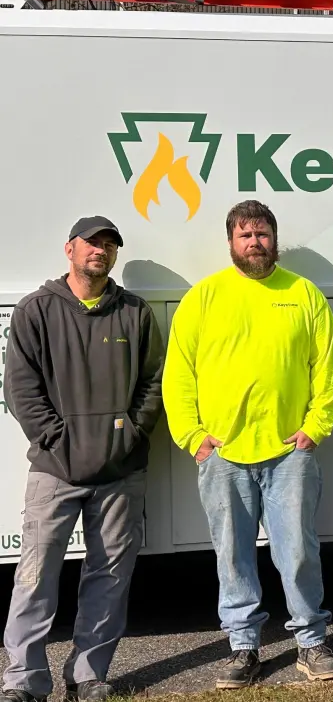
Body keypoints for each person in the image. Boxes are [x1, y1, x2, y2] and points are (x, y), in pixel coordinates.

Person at [162, 200, 333, 690]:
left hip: (289, 452)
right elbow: (178, 375)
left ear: (274, 239)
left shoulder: (303, 293)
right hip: (223, 454)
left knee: (298, 551)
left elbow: (327, 368)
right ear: (231, 242)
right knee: (233, 554)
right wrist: (193, 437)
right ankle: (243, 647)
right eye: (245, 235)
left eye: (262, 234)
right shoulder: (204, 297)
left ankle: (311, 641)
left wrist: (315, 427)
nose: (255, 243)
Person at [1, 216, 164, 702]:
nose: (101, 250)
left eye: (110, 244)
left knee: (109, 577)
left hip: (121, 471)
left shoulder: (134, 312)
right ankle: (24, 682)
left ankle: (89, 676)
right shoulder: (36, 310)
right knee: (35, 577)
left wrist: (130, 435)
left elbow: (154, 383)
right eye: (92, 242)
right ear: (69, 249)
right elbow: (21, 388)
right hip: (55, 469)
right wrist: (57, 439)